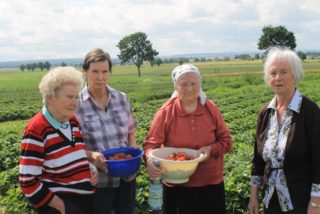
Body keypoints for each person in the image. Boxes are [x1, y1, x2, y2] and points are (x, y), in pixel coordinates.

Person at [143, 64, 233, 214]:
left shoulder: (211, 109)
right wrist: (150, 159)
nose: (189, 88)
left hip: (210, 183)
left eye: (193, 83)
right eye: (183, 84)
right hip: (176, 184)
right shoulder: (166, 112)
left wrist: (210, 149)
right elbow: (151, 144)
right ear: (176, 86)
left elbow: (227, 142)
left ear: (200, 84)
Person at [248, 47, 320, 214]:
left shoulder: (310, 112)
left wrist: (316, 203)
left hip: (301, 201)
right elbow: (257, 160)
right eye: (273, 73)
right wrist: (253, 196)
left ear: (295, 75)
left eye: (284, 72)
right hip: (271, 199)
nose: (278, 78)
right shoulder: (265, 112)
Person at [19, 66, 99, 214]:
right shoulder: (37, 128)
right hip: (61, 206)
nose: (75, 103)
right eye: (69, 97)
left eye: (76, 97)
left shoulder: (73, 121)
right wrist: (63, 207)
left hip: (84, 202)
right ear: (50, 98)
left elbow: (75, 155)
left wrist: (89, 168)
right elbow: (28, 181)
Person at [75, 48, 138, 214]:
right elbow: (72, 145)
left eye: (104, 71)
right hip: (98, 180)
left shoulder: (121, 98)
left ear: (110, 72)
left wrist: (133, 150)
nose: (100, 77)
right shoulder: (76, 105)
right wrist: (91, 155)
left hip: (126, 175)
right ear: (85, 72)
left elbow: (130, 132)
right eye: (95, 71)